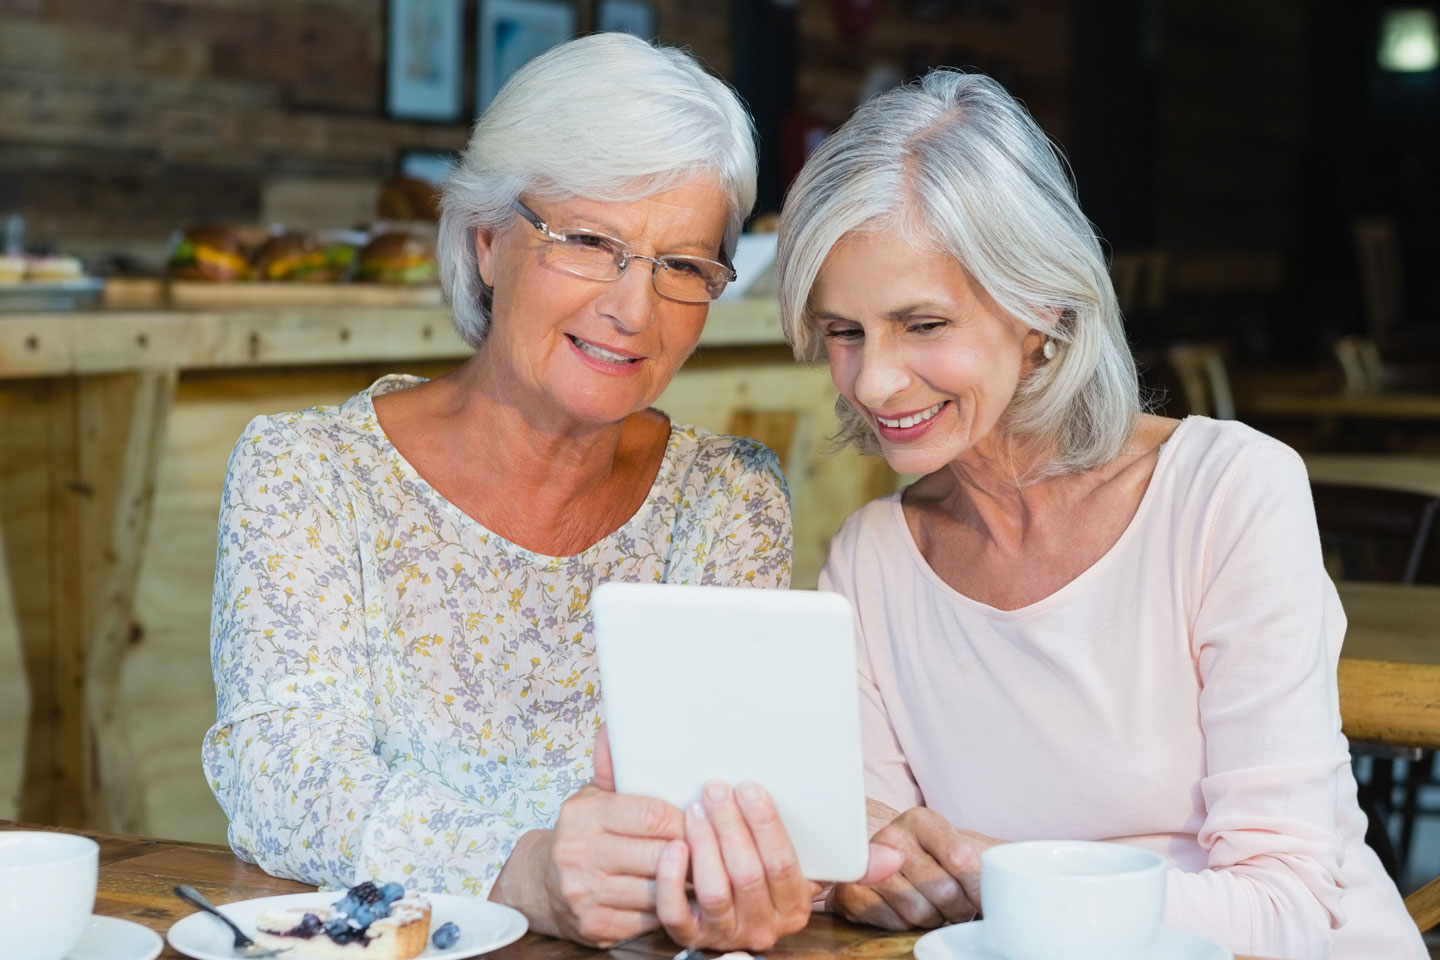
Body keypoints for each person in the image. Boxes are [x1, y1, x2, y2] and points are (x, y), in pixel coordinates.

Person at [204, 33, 893, 951]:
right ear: (487, 242)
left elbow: (732, 799)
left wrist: (742, 877)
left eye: (683, 265)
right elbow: (281, 777)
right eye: (589, 243)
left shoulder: (725, 498)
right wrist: (517, 868)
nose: (633, 310)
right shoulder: (309, 473)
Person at [776, 70, 1426, 959]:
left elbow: (1286, 912)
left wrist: (996, 876)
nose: (874, 381)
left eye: (922, 325)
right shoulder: (870, 561)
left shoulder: (1229, 493)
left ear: (1040, 306)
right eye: (844, 332)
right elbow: (885, 867)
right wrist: (868, 871)